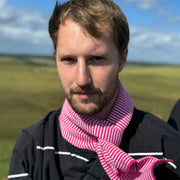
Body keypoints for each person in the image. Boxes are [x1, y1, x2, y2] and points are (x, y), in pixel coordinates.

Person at [8, 0, 180, 179]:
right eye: (68, 60)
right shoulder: (32, 145)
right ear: (55, 58)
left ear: (122, 59)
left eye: (96, 59)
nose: (82, 79)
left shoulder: (166, 146)